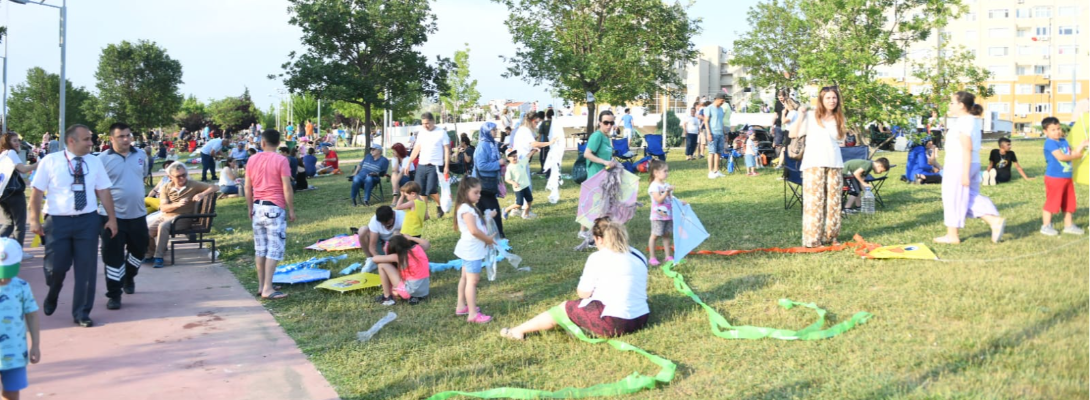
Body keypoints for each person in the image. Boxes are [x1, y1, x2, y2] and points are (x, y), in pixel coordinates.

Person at [28, 124, 118, 328]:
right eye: (86, 139)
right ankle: (53, 292)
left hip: (87, 220)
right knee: (56, 268)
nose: (91, 142)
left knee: (86, 269)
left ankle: (82, 312)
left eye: (90, 139)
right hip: (57, 221)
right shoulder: (50, 161)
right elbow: (36, 193)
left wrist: (112, 218)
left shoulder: (94, 162)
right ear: (71, 141)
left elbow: (103, 190)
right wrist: (34, 220)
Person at [500, 218, 649, 340]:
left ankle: (517, 331)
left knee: (565, 307)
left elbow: (583, 293)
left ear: (600, 239)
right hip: (641, 318)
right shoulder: (638, 254)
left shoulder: (598, 257)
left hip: (614, 322)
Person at [934, 92, 1005, 245]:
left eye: (952, 102)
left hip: (960, 164)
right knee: (965, 197)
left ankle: (953, 236)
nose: (950, 105)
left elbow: (967, 147)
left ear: (961, 105)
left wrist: (964, 174)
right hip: (969, 163)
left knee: (953, 198)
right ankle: (993, 221)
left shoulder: (964, 122)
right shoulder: (969, 121)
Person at [96, 123, 150, 311]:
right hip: (111, 217)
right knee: (113, 257)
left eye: (128, 135)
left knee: (140, 250)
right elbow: (97, 188)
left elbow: (141, 177)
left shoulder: (141, 155)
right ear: (111, 139)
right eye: (121, 136)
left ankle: (129, 275)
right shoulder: (101, 159)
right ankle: (114, 295)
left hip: (137, 215)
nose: (126, 139)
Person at [789, 87, 845, 248]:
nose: (831, 101)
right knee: (814, 202)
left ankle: (831, 237)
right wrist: (800, 115)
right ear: (821, 100)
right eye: (828, 98)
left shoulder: (839, 117)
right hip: (814, 163)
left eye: (834, 98)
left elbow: (841, 138)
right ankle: (812, 239)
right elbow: (793, 134)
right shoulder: (811, 116)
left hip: (834, 163)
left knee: (833, 203)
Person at [245, 129, 296, 300]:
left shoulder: (252, 159)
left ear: (263, 142)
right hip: (274, 208)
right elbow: (286, 187)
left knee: (260, 249)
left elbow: (247, 187)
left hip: (258, 207)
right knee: (274, 249)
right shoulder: (282, 160)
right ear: (278, 142)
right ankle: (268, 288)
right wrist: (291, 209)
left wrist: (249, 207)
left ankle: (262, 285)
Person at [146, 162, 218, 268]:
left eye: (184, 175)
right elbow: (164, 207)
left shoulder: (193, 184)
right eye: (178, 176)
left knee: (163, 226)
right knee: (145, 231)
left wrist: (202, 194)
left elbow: (215, 187)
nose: (182, 178)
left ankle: (159, 257)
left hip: (183, 218)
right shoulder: (166, 188)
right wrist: (177, 204)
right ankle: (150, 254)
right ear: (170, 177)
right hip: (165, 216)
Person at [0, 238, 42, 399]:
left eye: (8, 272)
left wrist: (36, 345)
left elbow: (32, 315)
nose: (4, 279)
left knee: (11, 393)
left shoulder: (21, 286)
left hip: (15, 352)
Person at [453, 177, 497, 324]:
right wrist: (488, 240)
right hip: (472, 250)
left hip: (469, 249)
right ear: (466, 191)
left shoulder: (467, 207)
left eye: (480, 192)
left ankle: (461, 306)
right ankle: (472, 314)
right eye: (476, 192)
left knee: (465, 278)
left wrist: (488, 217)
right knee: (472, 281)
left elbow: (476, 226)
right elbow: (473, 230)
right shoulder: (466, 209)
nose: (479, 196)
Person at [1040, 116, 1089, 236]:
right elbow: (1061, 157)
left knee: (1069, 203)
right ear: (1045, 132)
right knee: (1052, 202)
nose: (1057, 131)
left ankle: (1069, 226)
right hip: (1054, 178)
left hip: (1067, 178)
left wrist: (1081, 146)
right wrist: (1076, 156)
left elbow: (1070, 153)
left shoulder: (1063, 141)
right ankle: (1046, 226)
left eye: (1058, 128)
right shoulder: (1050, 143)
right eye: (1053, 129)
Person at [578, 110, 622, 240]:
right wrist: (604, 161)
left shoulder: (606, 138)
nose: (609, 125)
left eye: (611, 122)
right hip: (595, 176)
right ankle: (591, 233)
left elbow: (606, 157)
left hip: (604, 176)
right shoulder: (597, 136)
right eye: (606, 122)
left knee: (596, 204)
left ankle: (585, 231)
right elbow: (587, 154)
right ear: (599, 123)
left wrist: (611, 163)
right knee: (596, 205)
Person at [403, 112, 450, 218]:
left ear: (433, 121)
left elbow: (447, 150)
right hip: (422, 164)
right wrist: (409, 162)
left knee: (431, 190)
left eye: (427, 123)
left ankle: (440, 205)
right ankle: (425, 214)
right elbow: (416, 149)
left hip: (435, 165)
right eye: (423, 123)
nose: (425, 126)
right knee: (421, 191)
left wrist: (446, 166)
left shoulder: (441, 132)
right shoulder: (421, 133)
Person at [0, 133, 38, 254]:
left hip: (3, 193)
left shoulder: (2, 155)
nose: (18, 143)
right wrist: (39, 164)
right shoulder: (10, 153)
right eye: (14, 141)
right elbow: (23, 169)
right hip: (14, 193)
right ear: (8, 143)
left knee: (9, 223)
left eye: (18, 140)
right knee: (19, 224)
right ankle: (18, 252)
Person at [372, 235, 431, 306]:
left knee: (382, 265)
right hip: (424, 291)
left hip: (410, 291)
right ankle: (404, 294)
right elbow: (426, 243)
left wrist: (386, 251)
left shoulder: (398, 256)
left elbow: (375, 259)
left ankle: (387, 297)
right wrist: (410, 238)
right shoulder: (418, 248)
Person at [646, 160, 685, 266]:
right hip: (658, 216)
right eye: (665, 171)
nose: (667, 173)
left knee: (666, 235)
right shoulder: (654, 186)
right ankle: (652, 257)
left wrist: (680, 202)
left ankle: (668, 256)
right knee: (654, 236)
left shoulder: (665, 185)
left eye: (667, 171)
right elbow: (658, 200)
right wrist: (667, 191)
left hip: (668, 215)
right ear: (656, 172)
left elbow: (671, 199)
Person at [473, 122, 506, 239]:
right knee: (494, 208)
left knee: (479, 209)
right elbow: (481, 165)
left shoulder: (491, 144)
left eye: (496, 129)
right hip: (483, 183)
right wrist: (498, 163)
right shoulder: (483, 146)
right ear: (486, 131)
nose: (495, 131)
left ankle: (475, 230)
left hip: (487, 181)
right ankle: (498, 233)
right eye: (493, 130)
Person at [502, 149, 535, 219]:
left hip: (525, 185)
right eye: (512, 157)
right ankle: (506, 210)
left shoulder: (521, 162)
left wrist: (534, 150)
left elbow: (528, 156)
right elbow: (507, 179)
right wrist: (513, 183)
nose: (515, 158)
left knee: (530, 200)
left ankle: (526, 214)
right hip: (518, 188)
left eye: (515, 156)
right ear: (508, 158)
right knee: (519, 204)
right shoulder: (509, 168)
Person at [703, 93, 729, 179]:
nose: (722, 103)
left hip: (720, 133)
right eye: (721, 101)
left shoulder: (721, 109)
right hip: (712, 133)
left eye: (723, 101)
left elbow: (721, 122)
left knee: (718, 153)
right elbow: (706, 121)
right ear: (717, 99)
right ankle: (710, 172)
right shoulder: (709, 108)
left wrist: (725, 133)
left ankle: (716, 171)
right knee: (711, 152)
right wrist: (708, 133)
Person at [537, 108, 554, 175]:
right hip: (553, 143)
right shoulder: (555, 123)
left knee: (543, 157)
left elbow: (540, 134)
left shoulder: (544, 123)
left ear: (546, 115)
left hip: (545, 143)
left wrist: (538, 143)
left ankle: (544, 169)